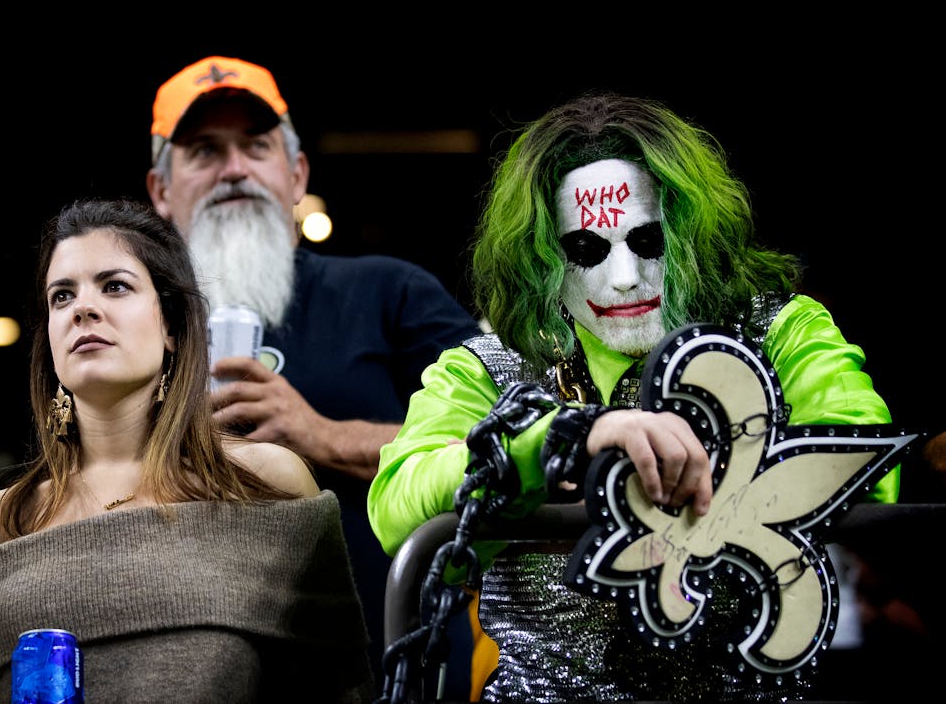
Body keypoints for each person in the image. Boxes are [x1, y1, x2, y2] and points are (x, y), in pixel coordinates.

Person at [368, 92, 903, 701]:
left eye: (648, 241)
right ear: (538, 259)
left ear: (694, 235)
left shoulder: (780, 332)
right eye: (586, 250)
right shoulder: (489, 370)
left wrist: (700, 458)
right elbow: (397, 506)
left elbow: (863, 466)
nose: (623, 278)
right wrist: (559, 446)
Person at [0, 198, 376, 702]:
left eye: (115, 286)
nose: (83, 308)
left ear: (172, 328)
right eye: (61, 296)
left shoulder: (266, 482)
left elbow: (337, 687)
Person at [143, 55, 482, 676]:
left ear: (296, 174)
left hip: (403, 664)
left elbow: (503, 448)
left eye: (256, 145)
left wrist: (319, 434)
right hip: (200, 675)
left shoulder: (389, 292)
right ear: (160, 190)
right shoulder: (136, 329)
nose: (235, 169)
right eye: (204, 151)